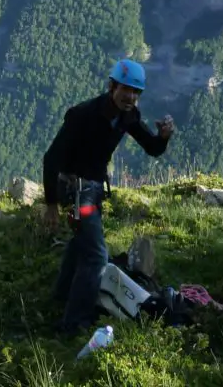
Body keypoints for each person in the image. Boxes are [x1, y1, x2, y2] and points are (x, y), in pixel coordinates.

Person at [41, 58, 175, 338]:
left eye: (137, 92)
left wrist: (163, 137)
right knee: (97, 256)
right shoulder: (82, 115)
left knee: (82, 245)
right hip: (75, 191)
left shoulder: (129, 116)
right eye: (126, 90)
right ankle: (73, 324)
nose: (131, 97)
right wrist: (51, 204)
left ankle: (62, 296)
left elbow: (151, 148)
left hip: (92, 191)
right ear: (112, 86)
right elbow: (51, 159)